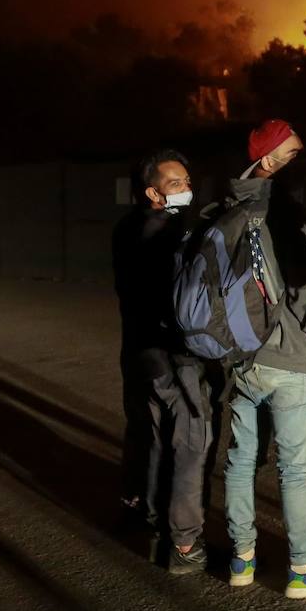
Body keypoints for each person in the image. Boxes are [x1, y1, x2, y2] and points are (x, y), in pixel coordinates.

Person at [223, 119, 306, 599]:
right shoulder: (284, 211)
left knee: (241, 460)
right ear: (269, 160)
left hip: (242, 355)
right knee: (296, 469)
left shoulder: (232, 205)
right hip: (287, 355)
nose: (301, 159)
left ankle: (242, 559)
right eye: (293, 152)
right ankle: (302, 568)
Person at [111, 149, 212, 574]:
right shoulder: (170, 234)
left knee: (149, 438)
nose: (186, 188)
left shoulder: (125, 227)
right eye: (175, 183)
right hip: (173, 355)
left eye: (187, 181)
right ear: (153, 192)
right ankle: (185, 544)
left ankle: (148, 523)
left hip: (139, 352)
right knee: (190, 443)